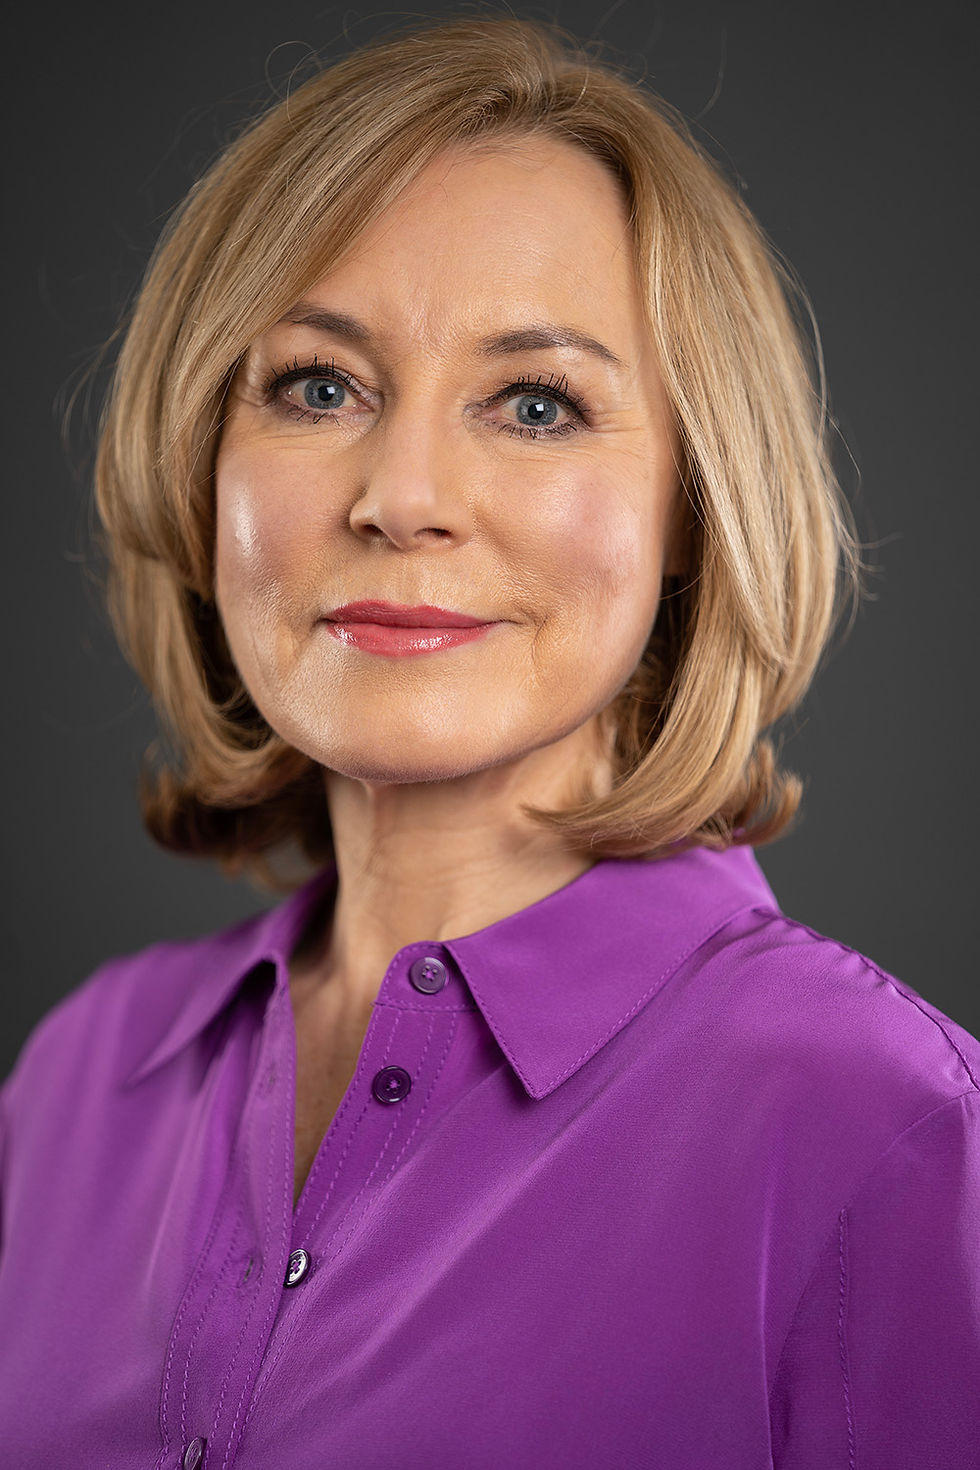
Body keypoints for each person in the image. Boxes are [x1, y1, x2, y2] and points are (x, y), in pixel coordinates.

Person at [1, 13, 977, 1468]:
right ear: (201, 470)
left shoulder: (887, 1132)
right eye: (317, 385)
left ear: (692, 518)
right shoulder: (78, 1077)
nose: (402, 494)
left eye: (536, 403)